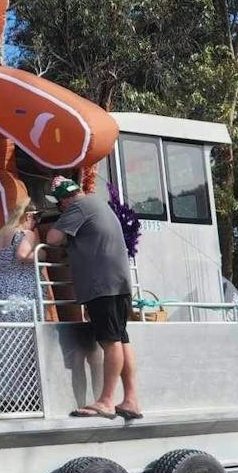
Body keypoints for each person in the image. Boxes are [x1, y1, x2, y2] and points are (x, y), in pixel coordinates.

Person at [43, 175, 141, 420]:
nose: (59, 207)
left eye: (58, 203)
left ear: (65, 199)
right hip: (118, 283)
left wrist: (57, 226)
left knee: (110, 341)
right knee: (120, 338)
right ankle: (130, 399)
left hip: (102, 285)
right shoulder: (98, 204)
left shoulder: (78, 207)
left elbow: (52, 238)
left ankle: (106, 401)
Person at [0, 198, 40, 321]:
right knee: (23, 327)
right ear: (28, 216)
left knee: (2, 328)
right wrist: (41, 254)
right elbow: (22, 254)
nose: (35, 224)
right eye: (36, 219)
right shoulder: (26, 234)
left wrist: (3, 262)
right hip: (22, 288)